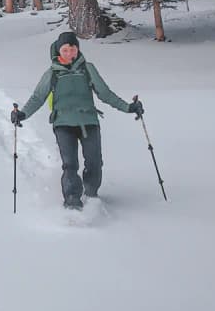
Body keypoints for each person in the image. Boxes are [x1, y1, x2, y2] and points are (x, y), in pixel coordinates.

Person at [11, 31, 143, 210]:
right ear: (59, 51)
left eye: (73, 49)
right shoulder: (52, 73)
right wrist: (23, 114)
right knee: (70, 164)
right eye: (65, 50)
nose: (69, 53)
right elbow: (38, 97)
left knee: (94, 162)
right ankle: (72, 200)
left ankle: (91, 193)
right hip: (63, 123)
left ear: (78, 50)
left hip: (89, 121)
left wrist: (128, 107)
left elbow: (104, 93)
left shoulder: (88, 68)